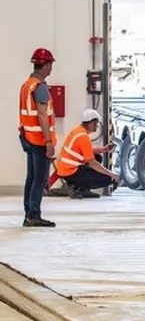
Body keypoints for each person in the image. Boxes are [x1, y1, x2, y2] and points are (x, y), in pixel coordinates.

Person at [19, 47, 59, 227]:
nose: (51, 68)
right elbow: (42, 115)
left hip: (28, 136)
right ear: (46, 66)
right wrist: (49, 141)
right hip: (39, 140)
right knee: (40, 178)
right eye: (50, 64)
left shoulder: (27, 85)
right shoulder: (40, 87)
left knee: (31, 177)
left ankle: (29, 213)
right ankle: (33, 215)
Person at [55, 109, 121, 198]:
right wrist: (112, 175)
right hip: (70, 172)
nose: (97, 126)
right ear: (91, 123)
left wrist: (103, 149)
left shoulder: (78, 131)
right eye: (96, 123)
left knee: (97, 157)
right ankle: (80, 189)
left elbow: (86, 151)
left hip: (64, 169)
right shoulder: (83, 137)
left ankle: (76, 186)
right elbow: (92, 163)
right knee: (107, 179)